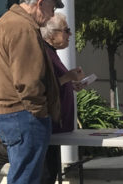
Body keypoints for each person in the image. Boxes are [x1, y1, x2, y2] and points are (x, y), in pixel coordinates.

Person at [0, 0, 64, 184]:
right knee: (26, 178)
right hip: (24, 115)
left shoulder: (6, 22)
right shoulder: (23, 27)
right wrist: (39, 112)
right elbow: (28, 81)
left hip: (13, 114)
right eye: (51, 8)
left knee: (23, 175)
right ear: (40, 3)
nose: (51, 16)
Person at [40, 13, 85, 183]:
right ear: (51, 34)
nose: (70, 35)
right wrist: (67, 78)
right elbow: (42, 88)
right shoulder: (44, 53)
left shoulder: (52, 52)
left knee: (50, 174)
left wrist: (70, 84)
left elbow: (55, 84)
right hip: (48, 128)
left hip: (56, 128)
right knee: (45, 175)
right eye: (66, 30)